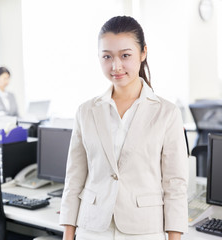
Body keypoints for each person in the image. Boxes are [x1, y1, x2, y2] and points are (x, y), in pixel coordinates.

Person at [59, 16, 188, 240]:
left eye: (125, 55)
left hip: (144, 229)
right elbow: (74, 178)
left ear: (143, 53)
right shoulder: (86, 111)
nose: (115, 66)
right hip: (92, 228)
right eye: (107, 57)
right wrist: (68, 234)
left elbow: (175, 185)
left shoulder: (167, 113)